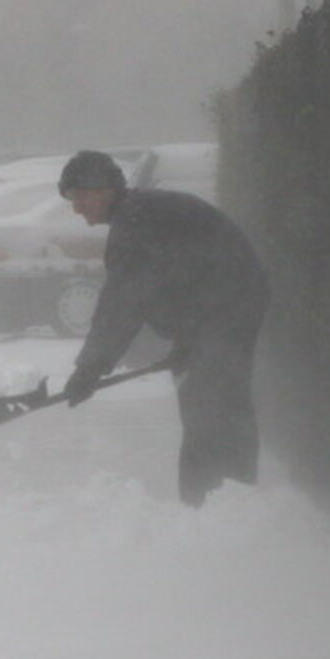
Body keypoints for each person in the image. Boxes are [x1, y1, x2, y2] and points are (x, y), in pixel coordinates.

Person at [58, 149, 270, 507]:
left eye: (79, 196)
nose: (76, 208)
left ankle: (213, 504)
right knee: (216, 405)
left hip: (227, 310)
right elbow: (174, 281)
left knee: (209, 408)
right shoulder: (143, 213)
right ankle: (226, 498)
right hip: (226, 308)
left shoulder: (137, 221)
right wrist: (187, 341)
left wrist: (90, 368)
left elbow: (123, 303)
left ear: (104, 189)